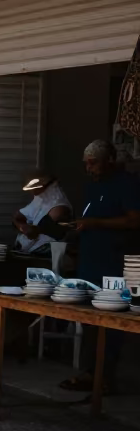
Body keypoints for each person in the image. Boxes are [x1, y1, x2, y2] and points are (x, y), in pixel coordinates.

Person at [61, 139, 140, 393]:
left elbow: (133, 221)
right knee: (89, 316)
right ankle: (90, 373)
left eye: (93, 163)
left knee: (112, 318)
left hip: (116, 261)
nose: (88, 169)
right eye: (86, 164)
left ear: (110, 160)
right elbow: (89, 216)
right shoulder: (91, 186)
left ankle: (105, 376)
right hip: (90, 259)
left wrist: (97, 223)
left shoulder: (127, 184)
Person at [12, 172, 72, 254]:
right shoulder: (39, 200)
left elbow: (36, 232)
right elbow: (17, 217)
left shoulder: (59, 208)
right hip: (25, 251)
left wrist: (32, 230)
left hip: (44, 256)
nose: (33, 192)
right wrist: (22, 227)